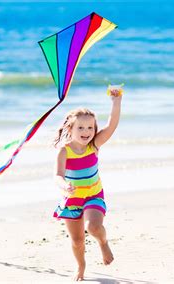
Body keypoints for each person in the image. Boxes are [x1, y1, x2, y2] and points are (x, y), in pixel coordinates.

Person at [52, 86, 123, 281]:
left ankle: (103, 241)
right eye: (81, 128)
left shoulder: (94, 145)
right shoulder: (64, 151)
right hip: (72, 199)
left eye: (90, 127)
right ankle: (81, 266)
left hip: (93, 196)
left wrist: (116, 102)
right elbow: (57, 175)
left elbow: (112, 126)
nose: (86, 131)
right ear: (70, 129)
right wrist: (64, 186)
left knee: (93, 226)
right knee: (77, 241)